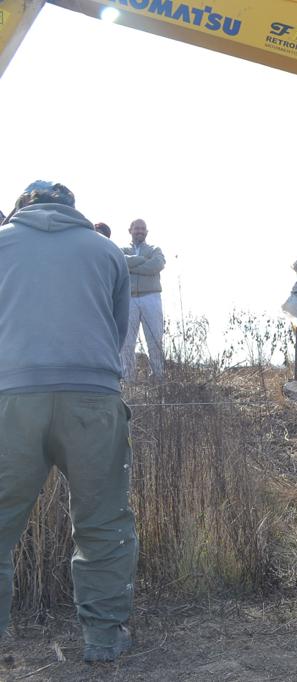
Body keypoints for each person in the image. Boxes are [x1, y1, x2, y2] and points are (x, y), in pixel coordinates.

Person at [0, 181, 137, 663]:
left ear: (21, 208)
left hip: (12, 398)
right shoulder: (107, 251)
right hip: (92, 398)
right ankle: (103, 640)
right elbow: (117, 328)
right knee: (102, 522)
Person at [120, 218, 166, 381]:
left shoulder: (155, 249)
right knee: (127, 341)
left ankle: (158, 377)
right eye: (137, 228)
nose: (139, 231)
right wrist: (142, 261)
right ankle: (128, 379)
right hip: (129, 298)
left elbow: (157, 265)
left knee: (155, 338)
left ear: (146, 232)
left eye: (142, 228)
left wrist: (131, 267)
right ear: (130, 230)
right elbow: (120, 262)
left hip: (151, 296)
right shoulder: (121, 250)